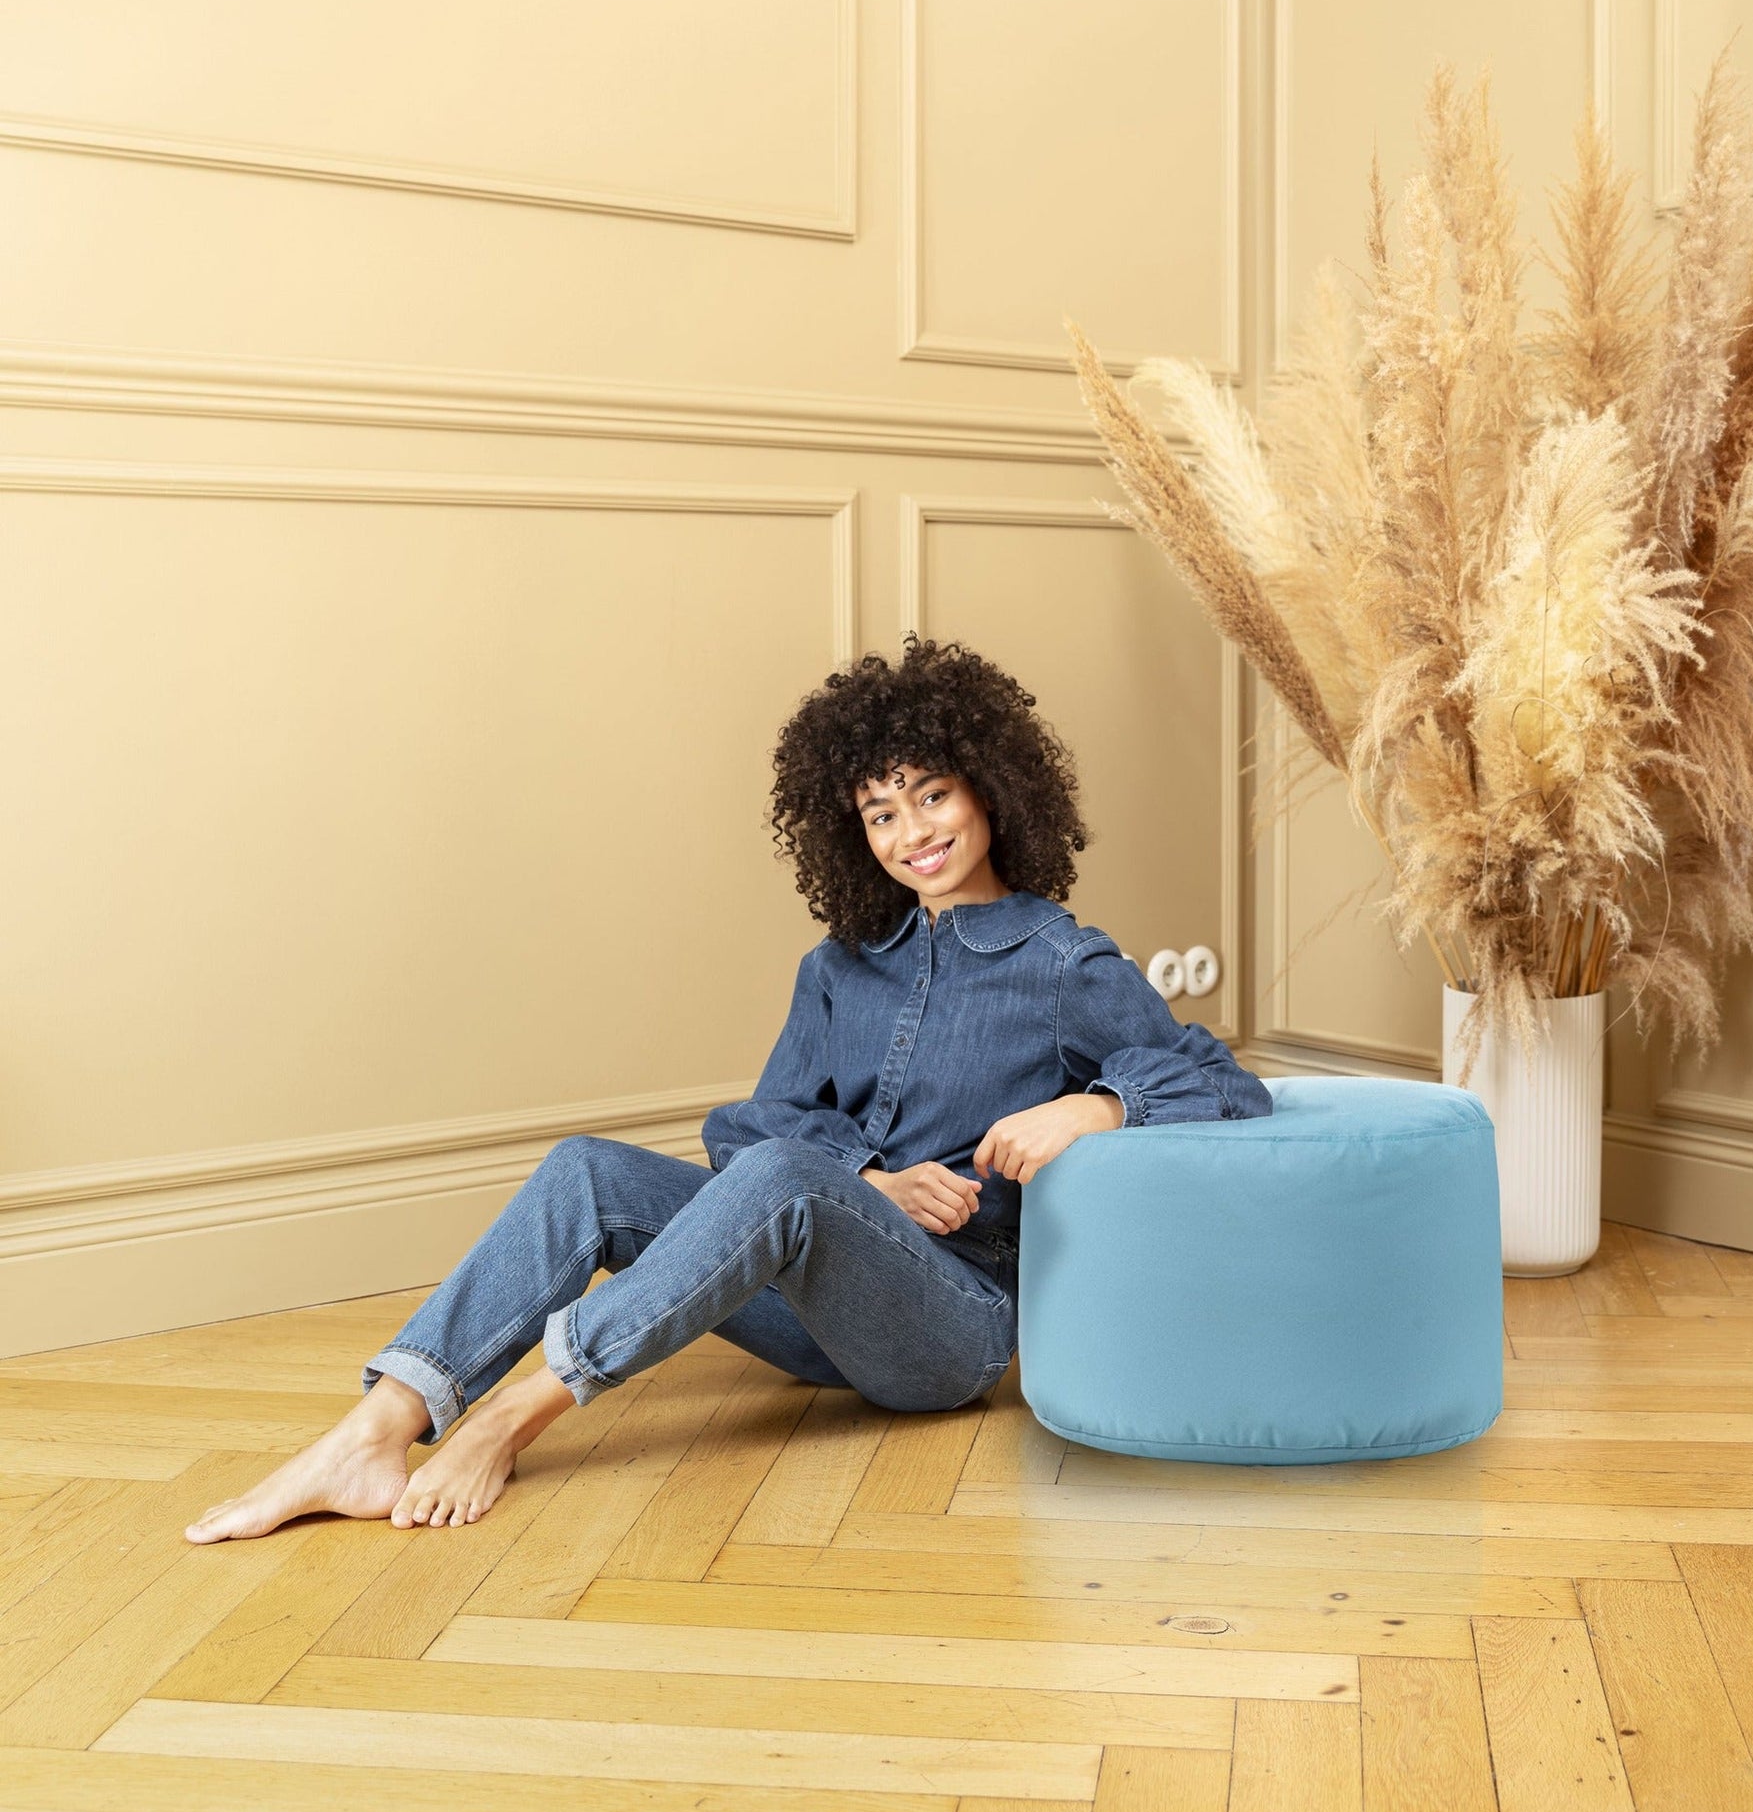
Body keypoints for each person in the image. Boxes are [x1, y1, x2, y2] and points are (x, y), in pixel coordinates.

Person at [185, 638, 1272, 1544]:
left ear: (990, 787)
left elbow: (1224, 1082)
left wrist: (1090, 1107)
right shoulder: (840, 967)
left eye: (932, 795)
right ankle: (376, 1431)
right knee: (587, 1170)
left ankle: (513, 1415)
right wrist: (871, 1184)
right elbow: (749, 1131)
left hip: (952, 1329)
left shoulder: (1063, 962)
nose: (913, 834)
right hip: (811, 1314)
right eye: (879, 813)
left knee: (791, 1175)